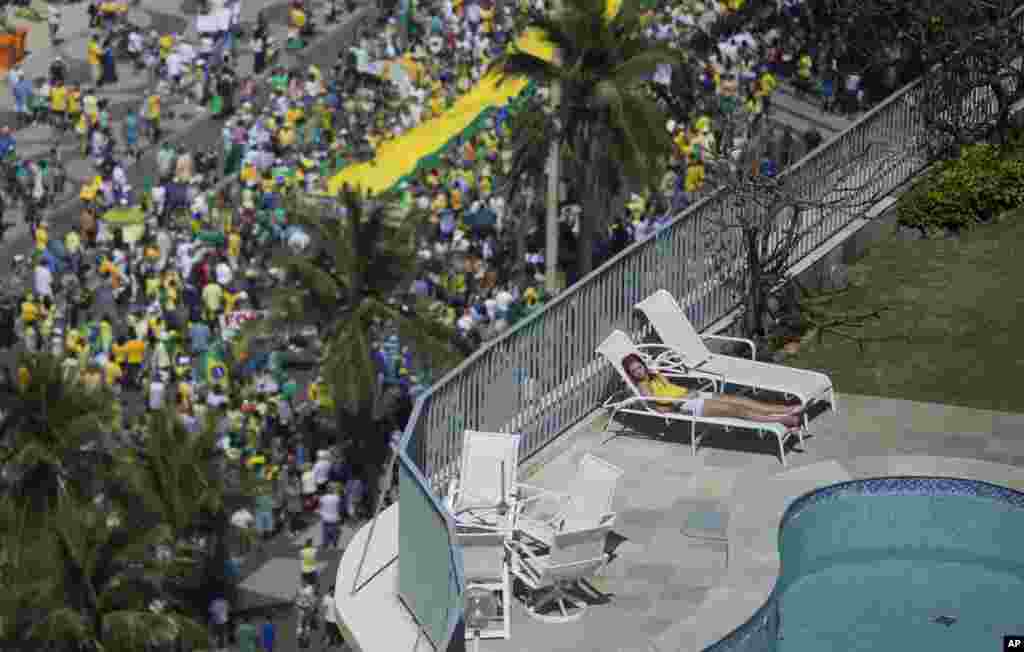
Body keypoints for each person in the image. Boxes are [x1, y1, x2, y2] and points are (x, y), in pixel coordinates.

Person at [621, 354, 802, 427]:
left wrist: (688, 392)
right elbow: (660, 408)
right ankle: (782, 419)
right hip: (688, 405)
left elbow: (671, 388)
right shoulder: (643, 388)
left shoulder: (653, 374)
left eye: (640, 367)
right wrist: (680, 402)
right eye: (634, 371)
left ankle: (784, 409)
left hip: (693, 395)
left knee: (738, 400)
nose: (639, 371)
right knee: (735, 410)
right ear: (631, 374)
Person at [318, 482, 341, 549]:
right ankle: (334, 543)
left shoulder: (323, 498)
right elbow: (338, 508)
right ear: (333, 489)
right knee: (334, 530)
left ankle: (325, 543)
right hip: (334, 518)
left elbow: (320, 507)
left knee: (325, 531)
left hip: (325, 518)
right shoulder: (337, 498)